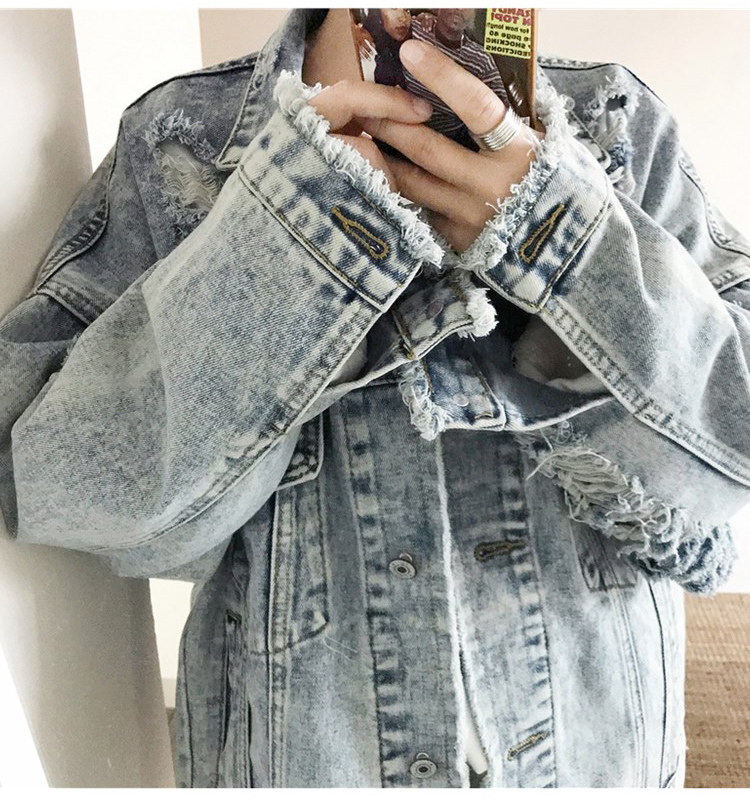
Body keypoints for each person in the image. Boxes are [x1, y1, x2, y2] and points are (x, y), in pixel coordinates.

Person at [2, 7, 750, 789]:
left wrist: (561, 238)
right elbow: (73, 490)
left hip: (602, 754)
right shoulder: (183, 140)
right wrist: (296, 233)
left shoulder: (614, 124)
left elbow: (732, 446)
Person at [404, 9, 511, 145]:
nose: (459, 8)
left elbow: (503, 114)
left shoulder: (481, 60)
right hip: (405, 128)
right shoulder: (415, 29)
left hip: (452, 142)